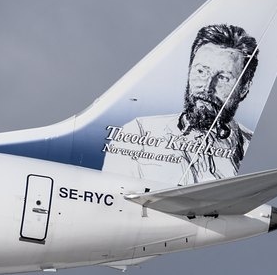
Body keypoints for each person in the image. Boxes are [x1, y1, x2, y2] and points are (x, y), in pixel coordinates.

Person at [102, 24, 257, 183]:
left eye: (223, 78)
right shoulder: (138, 133)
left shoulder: (251, 149)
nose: (207, 87)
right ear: (189, 70)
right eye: (201, 71)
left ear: (244, 88)